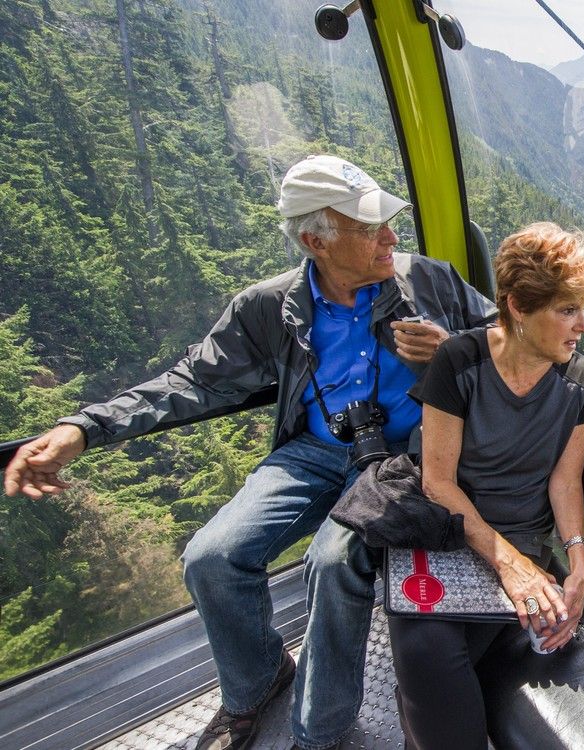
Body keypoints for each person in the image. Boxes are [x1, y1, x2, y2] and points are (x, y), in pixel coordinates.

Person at [2, 154, 497, 750]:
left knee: (333, 564)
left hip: (403, 459)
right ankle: (257, 684)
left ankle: (319, 733)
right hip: (315, 450)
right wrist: (85, 428)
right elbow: (191, 382)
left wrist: (450, 353)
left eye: (387, 221)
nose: (391, 236)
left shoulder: (429, 280)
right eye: (369, 228)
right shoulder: (269, 306)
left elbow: (507, 343)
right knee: (210, 557)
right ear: (316, 240)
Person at [387, 222, 584, 749]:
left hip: (522, 546)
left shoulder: (580, 381)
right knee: (426, 650)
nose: (583, 325)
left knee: (438, 670)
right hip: (450, 535)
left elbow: (564, 480)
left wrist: (578, 561)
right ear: (516, 306)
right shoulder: (460, 361)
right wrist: (510, 567)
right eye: (567, 310)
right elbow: (439, 483)